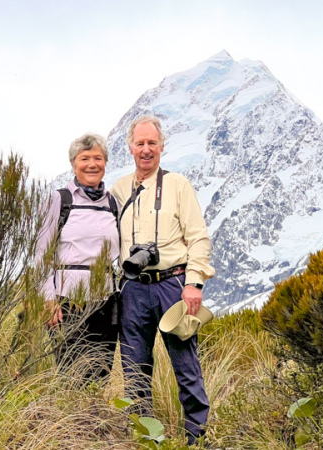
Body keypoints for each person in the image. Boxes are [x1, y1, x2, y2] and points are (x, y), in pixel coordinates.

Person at [111, 115, 215, 445]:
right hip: (133, 289)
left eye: (152, 143)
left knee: (186, 367)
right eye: (140, 143)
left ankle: (196, 439)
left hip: (174, 285)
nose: (146, 150)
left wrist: (194, 283)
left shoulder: (177, 185)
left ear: (162, 147)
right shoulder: (117, 190)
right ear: (129, 147)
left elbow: (199, 238)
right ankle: (146, 439)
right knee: (134, 371)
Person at [34, 133, 121, 381]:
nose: (92, 164)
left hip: (104, 300)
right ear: (74, 163)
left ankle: (92, 419)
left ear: (105, 163)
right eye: (85, 158)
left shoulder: (112, 203)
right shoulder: (60, 200)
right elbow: (41, 254)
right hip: (66, 300)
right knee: (71, 374)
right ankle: (70, 420)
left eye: (98, 158)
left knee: (101, 373)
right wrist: (49, 301)